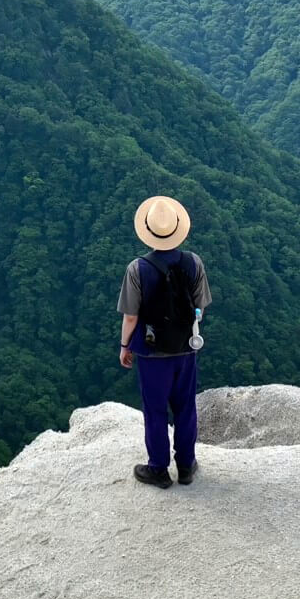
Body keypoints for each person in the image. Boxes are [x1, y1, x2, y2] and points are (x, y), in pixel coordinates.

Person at [117, 195, 212, 489]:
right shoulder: (193, 263)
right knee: (185, 407)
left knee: (155, 410)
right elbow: (200, 307)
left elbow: (131, 317)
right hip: (185, 348)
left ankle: (158, 468)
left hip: (150, 350)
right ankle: (185, 466)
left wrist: (124, 346)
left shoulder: (137, 269)